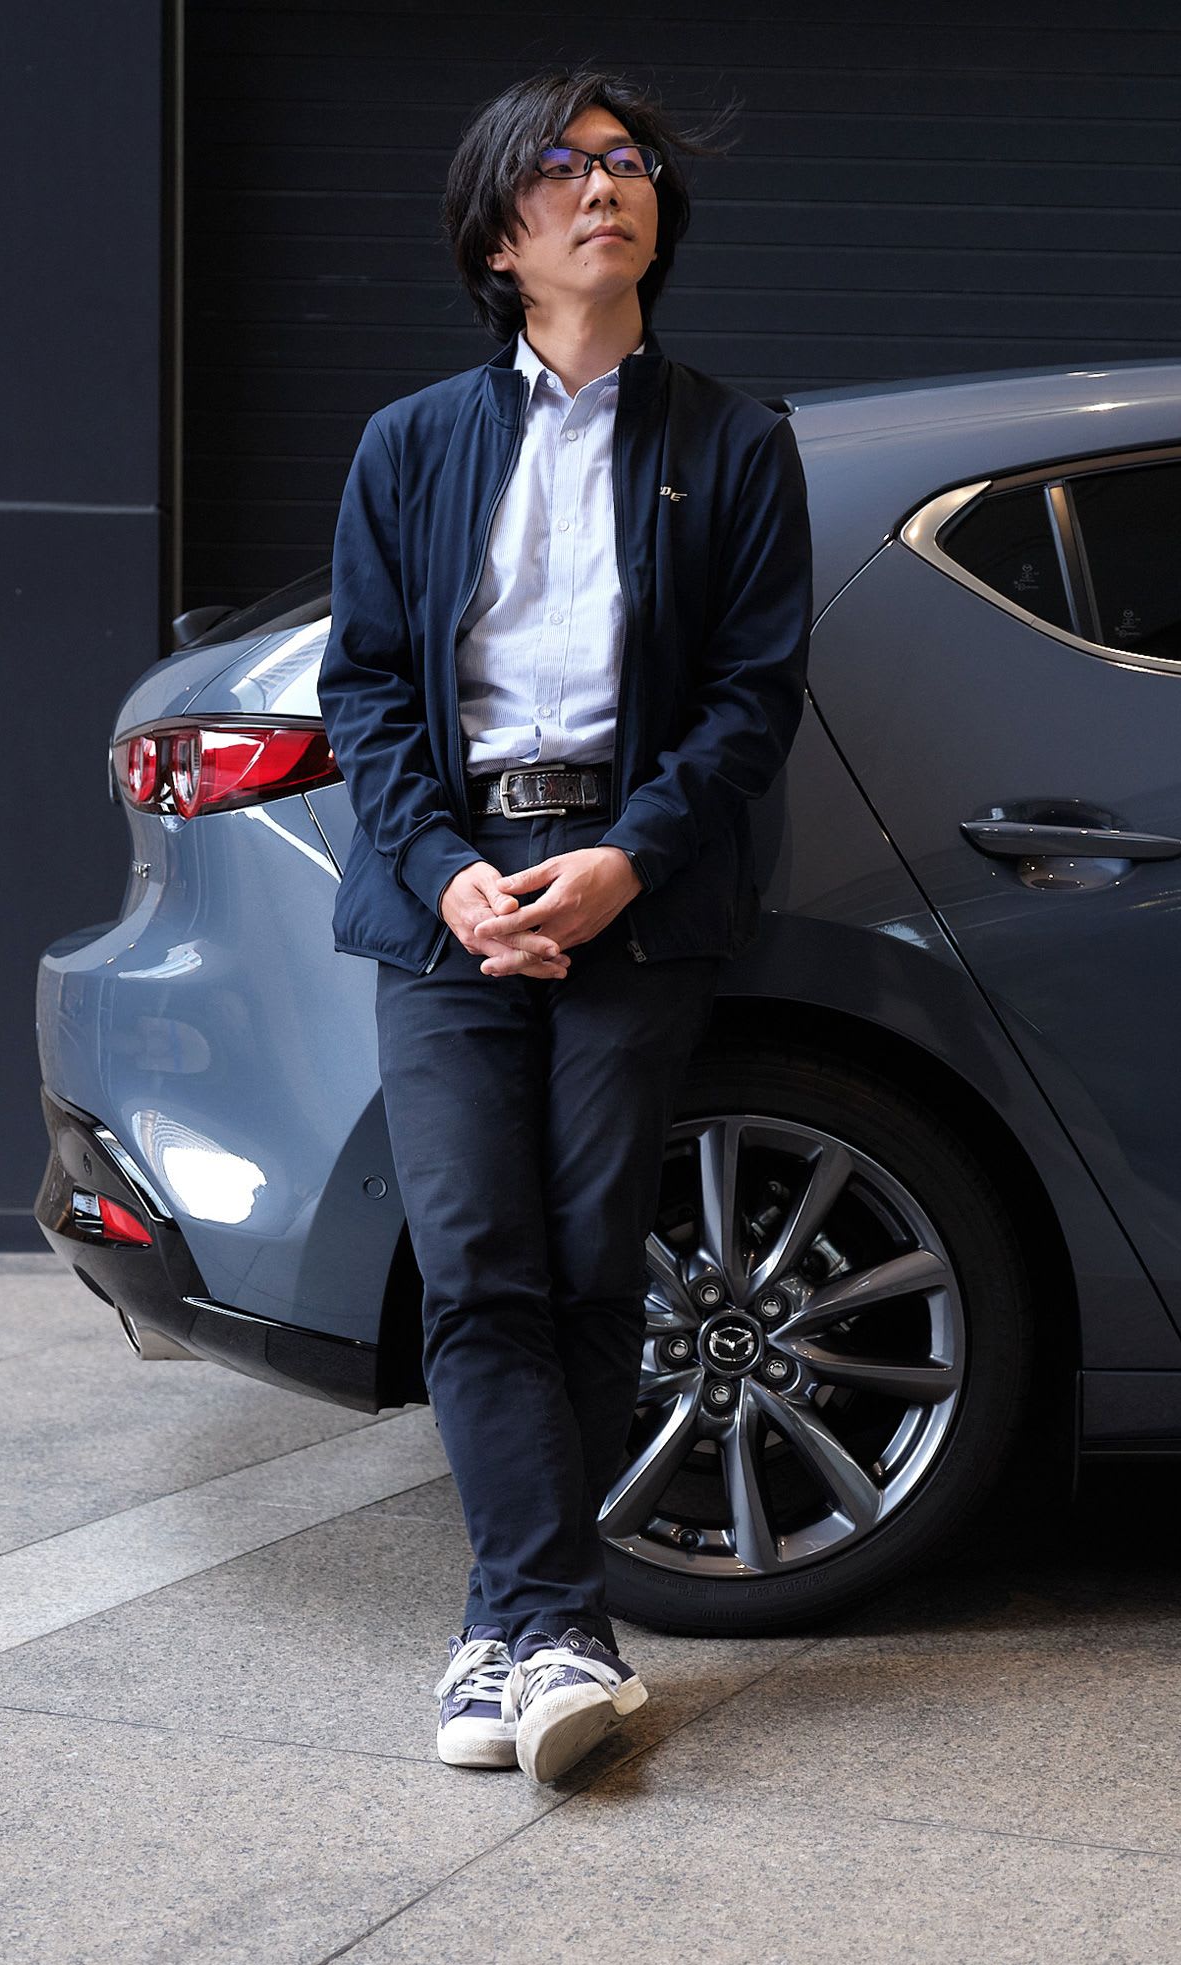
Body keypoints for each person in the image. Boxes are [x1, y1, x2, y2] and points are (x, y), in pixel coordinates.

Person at [317, 66, 813, 1785]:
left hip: (632, 889)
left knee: (597, 1257)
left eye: (629, 164)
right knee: (475, 1257)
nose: (606, 184)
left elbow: (753, 699)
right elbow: (365, 690)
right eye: (564, 163)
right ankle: (552, 1629)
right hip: (442, 899)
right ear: (497, 231)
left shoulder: (734, 446)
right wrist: (451, 867)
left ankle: (507, 1636)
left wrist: (626, 862)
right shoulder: (410, 445)